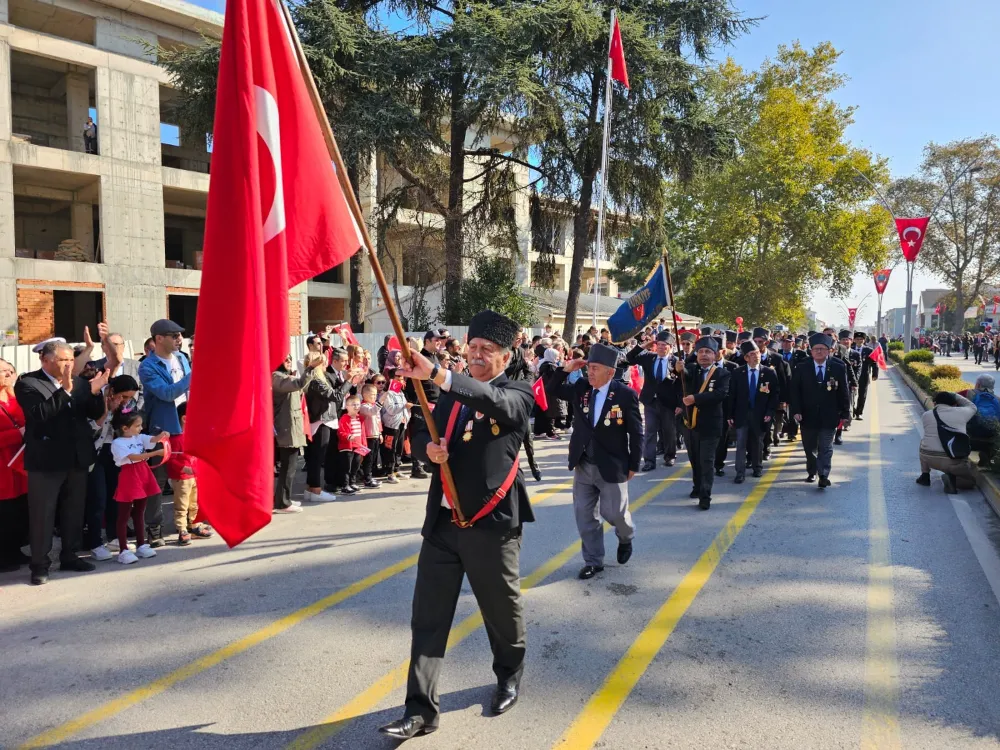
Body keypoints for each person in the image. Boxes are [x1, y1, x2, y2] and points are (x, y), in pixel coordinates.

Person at [379, 310, 533, 740]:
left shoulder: (517, 393)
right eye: (474, 347)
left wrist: (440, 374)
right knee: (427, 617)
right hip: (444, 525)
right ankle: (420, 710)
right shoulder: (452, 395)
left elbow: (494, 403)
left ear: (506, 357)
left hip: (491, 525)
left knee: (501, 612)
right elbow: (435, 441)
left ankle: (508, 673)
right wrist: (432, 452)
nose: (478, 355)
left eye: (489, 350)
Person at [16, 341, 108, 585]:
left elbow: (91, 412)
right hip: (46, 461)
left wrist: (96, 393)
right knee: (42, 514)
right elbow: (40, 415)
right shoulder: (28, 383)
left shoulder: (79, 382)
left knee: (74, 511)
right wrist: (65, 390)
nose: (68, 365)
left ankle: (71, 555)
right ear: (45, 360)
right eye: (62, 360)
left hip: (77, 458)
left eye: (70, 360)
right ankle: (39, 565)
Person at [551, 342, 641, 579]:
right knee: (585, 517)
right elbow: (551, 389)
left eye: (595, 368)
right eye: (589, 367)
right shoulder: (581, 388)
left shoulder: (625, 395)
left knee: (616, 515)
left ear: (610, 372)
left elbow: (637, 432)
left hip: (612, 465)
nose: (589, 372)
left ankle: (626, 536)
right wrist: (567, 369)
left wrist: (634, 464)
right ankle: (593, 560)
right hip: (584, 463)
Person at [138, 318, 191, 546]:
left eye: (180, 335)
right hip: (163, 431)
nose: (179, 339)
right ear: (159, 339)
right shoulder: (148, 366)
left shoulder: (181, 358)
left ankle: (189, 523)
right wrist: (193, 375)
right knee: (158, 482)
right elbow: (167, 394)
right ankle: (154, 528)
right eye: (174, 336)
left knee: (189, 477)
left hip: (187, 426)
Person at [85, 374, 141, 561]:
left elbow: (127, 427)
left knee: (116, 496)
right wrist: (107, 410)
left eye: (129, 398)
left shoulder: (128, 405)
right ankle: (95, 542)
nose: (126, 401)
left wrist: (120, 412)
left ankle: (114, 536)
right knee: (98, 498)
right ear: (111, 390)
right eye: (123, 396)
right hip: (94, 452)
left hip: (115, 451)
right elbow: (90, 428)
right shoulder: (95, 398)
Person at [790, 333, 851, 488]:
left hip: (829, 415)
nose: (819, 352)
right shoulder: (802, 367)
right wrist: (796, 410)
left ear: (829, 350)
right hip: (807, 415)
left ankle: (823, 474)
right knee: (810, 448)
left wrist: (845, 413)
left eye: (822, 349)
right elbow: (794, 391)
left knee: (826, 447)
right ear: (811, 351)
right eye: (816, 349)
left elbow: (844, 391)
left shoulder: (838, 366)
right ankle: (812, 471)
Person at [676, 336, 731, 509]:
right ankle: (697, 486)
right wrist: (679, 369)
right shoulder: (692, 369)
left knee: (706, 461)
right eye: (700, 351)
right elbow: (684, 377)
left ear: (715, 355)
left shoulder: (723, 373)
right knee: (694, 459)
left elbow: (720, 394)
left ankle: (705, 495)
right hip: (691, 424)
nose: (704, 355)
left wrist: (696, 399)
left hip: (711, 425)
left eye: (708, 352)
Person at [110, 412, 166, 564]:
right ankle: (123, 550)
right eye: (137, 426)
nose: (141, 428)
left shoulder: (139, 437)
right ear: (125, 428)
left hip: (143, 474)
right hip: (129, 476)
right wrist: (155, 453)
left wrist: (161, 436)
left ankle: (141, 544)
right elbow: (133, 457)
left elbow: (152, 440)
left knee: (140, 512)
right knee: (124, 514)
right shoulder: (118, 443)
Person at [626, 331, 679, 471]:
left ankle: (670, 456)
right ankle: (649, 460)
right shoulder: (649, 357)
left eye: (664, 345)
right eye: (659, 344)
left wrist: (679, 404)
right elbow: (629, 358)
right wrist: (644, 346)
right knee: (650, 431)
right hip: (651, 401)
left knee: (669, 431)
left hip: (668, 403)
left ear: (670, 347)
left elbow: (681, 385)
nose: (661, 347)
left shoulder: (676, 362)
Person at [729, 341, 779, 483]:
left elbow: (774, 394)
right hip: (741, 414)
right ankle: (740, 472)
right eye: (751, 354)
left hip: (760, 414)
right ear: (745, 358)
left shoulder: (768, 372)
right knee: (741, 444)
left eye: (757, 353)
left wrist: (770, 411)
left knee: (758, 442)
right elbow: (732, 395)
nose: (755, 356)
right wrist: (730, 415)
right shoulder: (738, 372)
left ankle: (757, 467)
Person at [166, 402, 212, 545]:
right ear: (185, 419)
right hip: (182, 478)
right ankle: (182, 529)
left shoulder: (194, 435)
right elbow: (170, 459)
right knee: (181, 504)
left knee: (194, 503)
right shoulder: (176, 439)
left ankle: (194, 525)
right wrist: (182, 468)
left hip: (194, 476)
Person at [272, 354, 313, 514]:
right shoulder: (277, 377)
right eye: (285, 359)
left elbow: (300, 389)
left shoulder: (284, 377)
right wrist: (310, 368)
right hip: (286, 428)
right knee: (287, 467)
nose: (289, 362)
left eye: (290, 359)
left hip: (292, 426)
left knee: (290, 467)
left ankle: (283, 498)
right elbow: (299, 383)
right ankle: (282, 503)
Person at [302, 351, 344, 502]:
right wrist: (350, 381)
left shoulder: (317, 379)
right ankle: (316, 489)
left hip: (319, 419)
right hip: (320, 420)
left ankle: (310, 488)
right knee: (317, 457)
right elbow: (336, 396)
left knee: (316, 456)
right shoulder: (315, 380)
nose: (326, 364)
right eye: (324, 362)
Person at [916, 391, 977, 493]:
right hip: (953, 460)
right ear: (954, 404)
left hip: (929, 458)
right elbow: (972, 406)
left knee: (925, 440)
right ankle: (952, 479)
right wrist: (955, 395)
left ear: (935, 403)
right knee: (970, 482)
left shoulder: (926, 415)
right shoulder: (961, 413)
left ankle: (925, 475)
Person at [0, 358, 28, 572]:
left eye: (10, 370)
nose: (8, 374)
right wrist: (17, 434)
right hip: (2, 467)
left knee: (19, 510)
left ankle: (15, 550)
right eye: (3, 371)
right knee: (5, 512)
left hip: (19, 465)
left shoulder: (16, 398)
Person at [379, 368, 409, 484]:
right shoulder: (387, 394)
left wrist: (406, 416)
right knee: (390, 448)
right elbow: (390, 409)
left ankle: (396, 470)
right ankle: (389, 472)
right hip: (391, 425)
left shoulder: (400, 392)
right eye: (399, 378)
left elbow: (405, 409)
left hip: (401, 424)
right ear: (392, 379)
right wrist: (404, 407)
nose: (401, 380)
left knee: (399, 448)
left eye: (402, 378)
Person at [358, 384, 383, 489]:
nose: (374, 397)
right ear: (364, 395)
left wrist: (380, 433)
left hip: (376, 434)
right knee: (368, 459)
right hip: (368, 436)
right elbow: (372, 412)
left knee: (373, 458)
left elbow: (378, 420)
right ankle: (367, 479)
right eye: (372, 395)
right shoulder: (363, 406)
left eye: (375, 395)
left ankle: (369, 476)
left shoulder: (373, 405)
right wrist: (381, 401)